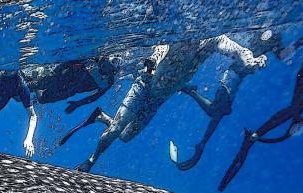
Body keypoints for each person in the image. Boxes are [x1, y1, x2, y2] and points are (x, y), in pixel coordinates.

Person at [59, 36, 267, 172]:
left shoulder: (214, 41)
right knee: (116, 130)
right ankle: (91, 161)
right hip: (144, 85)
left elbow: (237, 50)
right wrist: (152, 61)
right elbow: (161, 48)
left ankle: (100, 117)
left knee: (126, 137)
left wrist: (249, 60)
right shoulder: (180, 34)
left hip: (158, 98)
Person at [170, 28, 303, 170]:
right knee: (218, 112)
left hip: (236, 79)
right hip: (231, 76)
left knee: (215, 111)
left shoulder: (275, 37)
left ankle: (191, 93)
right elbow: (239, 47)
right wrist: (254, 60)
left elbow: (282, 55)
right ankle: (201, 144)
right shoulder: (258, 29)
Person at [220, 27, 303, 191]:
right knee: (295, 112)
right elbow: (284, 54)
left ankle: (255, 135)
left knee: (294, 110)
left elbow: (285, 54)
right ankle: (292, 124)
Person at [23, 55, 123, 112]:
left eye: (111, 69)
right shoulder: (93, 60)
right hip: (60, 78)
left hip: (69, 91)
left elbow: (94, 97)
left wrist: (77, 104)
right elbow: (69, 62)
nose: (106, 68)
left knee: (42, 99)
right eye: (106, 64)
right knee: (34, 85)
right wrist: (55, 72)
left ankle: (34, 76)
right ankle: (28, 81)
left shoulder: (108, 82)